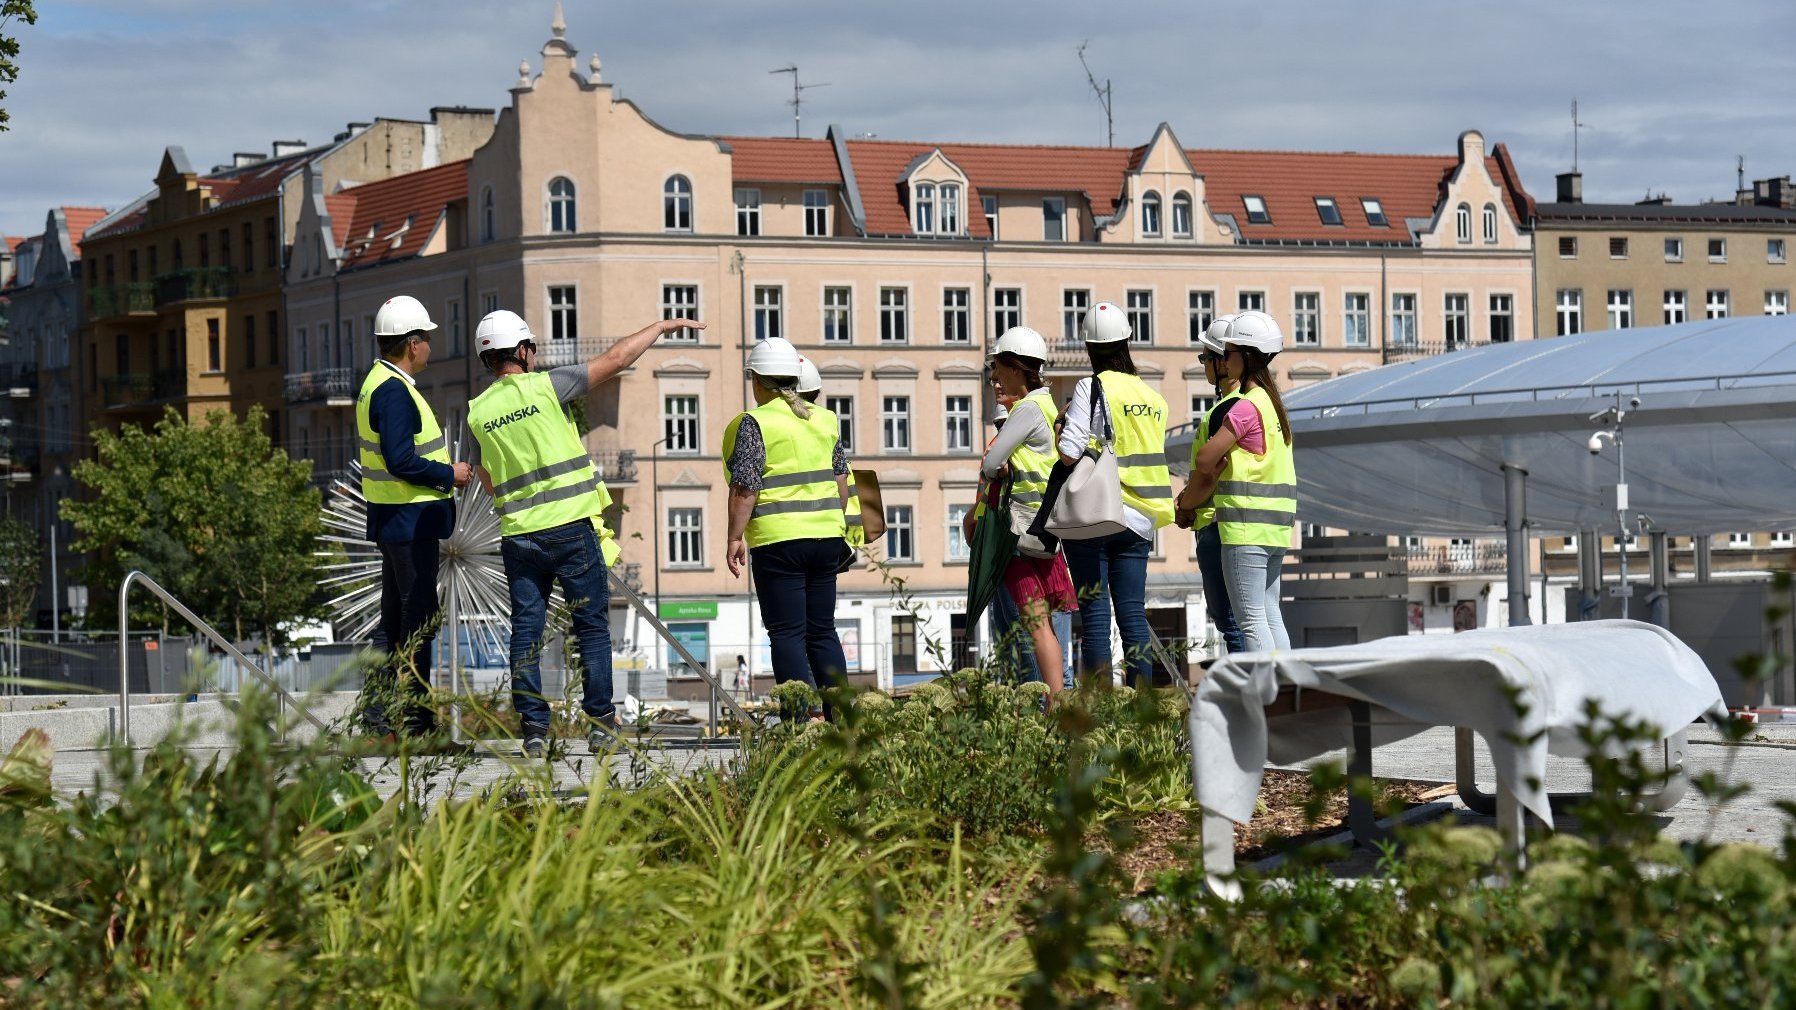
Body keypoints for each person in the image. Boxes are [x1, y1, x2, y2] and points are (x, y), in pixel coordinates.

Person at [466, 308, 701, 758]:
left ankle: (534, 730)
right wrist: (660, 327)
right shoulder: (546, 387)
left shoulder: (478, 412)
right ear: (521, 350)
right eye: (530, 348)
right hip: (571, 527)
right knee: (591, 627)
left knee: (526, 633)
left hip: (520, 536)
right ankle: (599, 725)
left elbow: (485, 475)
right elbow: (615, 360)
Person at [357, 294, 473, 740]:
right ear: (411, 343)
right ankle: (416, 722)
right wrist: (450, 474)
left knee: (394, 621)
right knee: (421, 619)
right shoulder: (393, 391)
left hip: (397, 521)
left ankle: (379, 717)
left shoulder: (378, 382)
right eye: (425, 337)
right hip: (409, 521)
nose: (429, 344)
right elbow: (401, 459)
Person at [724, 338, 851, 713]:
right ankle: (842, 720)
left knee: (786, 634)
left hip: (779, 542)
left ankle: (799, 720)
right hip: (827, 538)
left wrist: (734, 537)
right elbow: (841, 489)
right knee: (822, 631)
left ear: (756, 381)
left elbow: (746, 486)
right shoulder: (824, 419)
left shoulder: (755, 422)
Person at [1053, 301, 1174, 688]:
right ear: (1126, 342)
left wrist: (1064, 427)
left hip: (1096, 515)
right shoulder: (1154, 398)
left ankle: (1103, 712)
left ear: (1089, 348)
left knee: (1094, 615)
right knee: (1133, 616)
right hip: (1140, 521)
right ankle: (1142, 708)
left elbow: (1070, 452)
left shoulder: (1092, 386)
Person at [966, 326, 1078, 696]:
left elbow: (992, 460)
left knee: (1035, 624)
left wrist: (997, 466)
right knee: (1043, 623)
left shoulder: (1028, 409)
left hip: (1020, 530)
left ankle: (1054, 701)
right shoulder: (1046, 404)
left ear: (1016, 368)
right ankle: (1057, 698)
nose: (996, 377)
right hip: (1044, 528)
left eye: (999, 369)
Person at [1182, 310, 1295, 652]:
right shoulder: (1273, 405)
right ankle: (1285, 691)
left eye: (1228, 352)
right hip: (1275, 530)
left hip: (1244, 528)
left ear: (1245, 357)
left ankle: (1261, 697)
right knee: (1271, 613)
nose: (1222, 359)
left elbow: (1204, 460)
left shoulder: (1245, 407)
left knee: (1250, 620)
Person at [1174, 314, 1247, 654]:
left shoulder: (1223, 412)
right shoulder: (1255, 405)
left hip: (1217, 528)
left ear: (1222, 361)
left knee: (1230, 622)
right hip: (1243, 526)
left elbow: (1209, 473)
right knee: (1253, 619)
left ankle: (1245, 701)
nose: (1203, 365)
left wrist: (1186, 505)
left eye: (1205, 358)